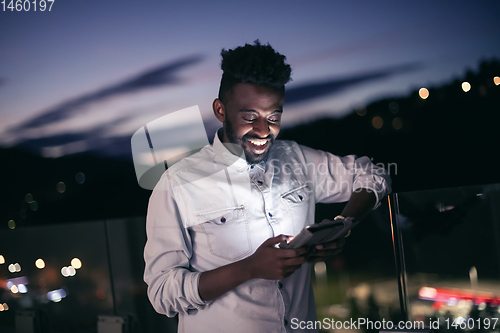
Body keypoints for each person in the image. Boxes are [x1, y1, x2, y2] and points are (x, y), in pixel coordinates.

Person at [143, 40, 391, 333]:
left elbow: (373, 173)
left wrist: (341, 225)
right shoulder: (176, 183)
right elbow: (161, 294)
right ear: (220, 110)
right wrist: (248, 269)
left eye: (274, 117)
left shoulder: (295, 158)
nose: (264, 131)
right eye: (250, 117)